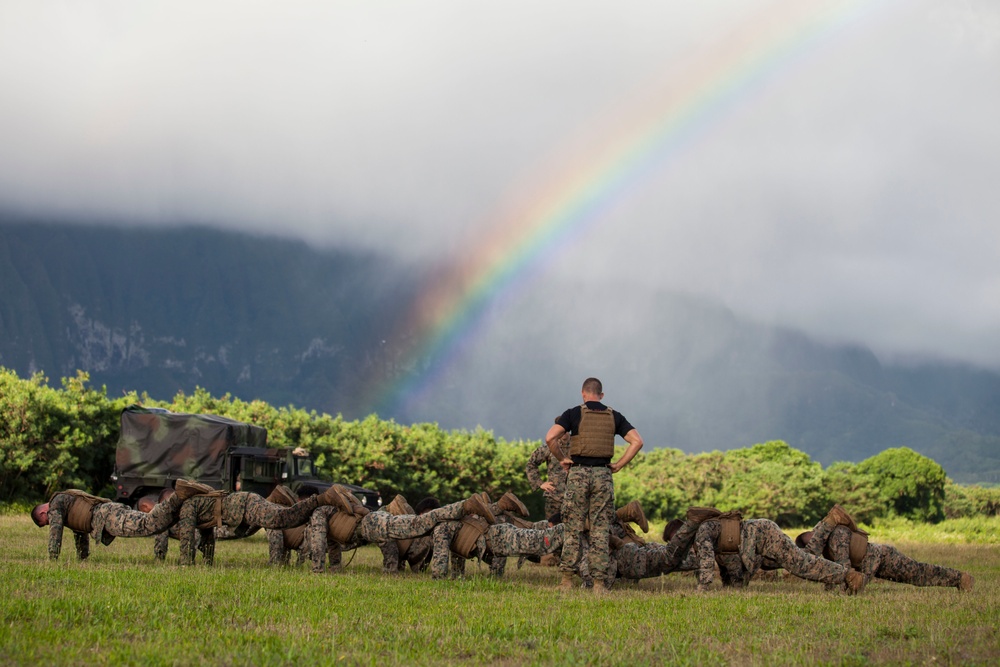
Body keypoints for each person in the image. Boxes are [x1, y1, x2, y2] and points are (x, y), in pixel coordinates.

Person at [545, 377, 644, 593]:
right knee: (600, 529)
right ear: (601, 395)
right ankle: (599, 584)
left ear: (583, 393)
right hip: (603, 475)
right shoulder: (614, 416)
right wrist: (618, 465)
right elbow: (637, 441)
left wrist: (562, 458)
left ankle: (566, 582)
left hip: (578, 473)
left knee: (573, 528)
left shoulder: (573, 413)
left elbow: (550, 437)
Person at [307, 486, 496, 574]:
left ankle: (465, 506)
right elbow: (331, 544)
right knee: (421, 524)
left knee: (421, 523)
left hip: (372, 525)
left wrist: (317, 569)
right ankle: (469, 507)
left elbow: (318, 542)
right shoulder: (331, 512)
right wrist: (334, 567)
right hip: (372, 523)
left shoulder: (319, 513)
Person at [797, 505, 974, 592]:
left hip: (879, 555)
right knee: (917, 575)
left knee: (918, 573)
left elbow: (843, 568)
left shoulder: (837, 534)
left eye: (813, 535)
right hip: (873, 560)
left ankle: (960, 578)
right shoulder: (826, 548)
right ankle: (959, 579)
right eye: (809, 540)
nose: (814, 538)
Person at [690, 508, 865, 593]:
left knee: (802, 564)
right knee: (805, 557)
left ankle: (848, 575)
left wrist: (702, 589)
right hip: (755, 547)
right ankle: (829, 522)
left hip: (763, 535)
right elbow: (732, 570)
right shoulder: (712, 534)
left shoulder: (702, 533)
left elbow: (706, 563)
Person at [173, 481, 345, 565]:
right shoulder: (199, 503)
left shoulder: (189, 506)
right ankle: (319, 499)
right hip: (245, 507)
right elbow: (207, 534)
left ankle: (324, 498)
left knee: (281, 519)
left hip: (246, 506)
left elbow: (187, 538)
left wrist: (185, 564)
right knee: (281, 518)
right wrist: (207, 562)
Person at [29, 480, 205, 561]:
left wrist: (53, 558)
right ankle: (189, 525)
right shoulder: (67, 505)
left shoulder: (56, 504)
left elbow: (56, 530)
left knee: (148, 524)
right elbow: (80, 533)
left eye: (46, 521)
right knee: (155, 525)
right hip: (108, 514)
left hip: (108, 517)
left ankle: (179, 495)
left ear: (43, 513)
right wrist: (82, 558)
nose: (50, 522)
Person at [525, 427, 570, 519]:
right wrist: (539, 483)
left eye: (566, 430)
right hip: (554, 498)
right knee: (551, 529)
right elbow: (531, 464)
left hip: (577, 498)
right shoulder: (550, 447)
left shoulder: (579, 447)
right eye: (561, 431)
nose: (564, 433)